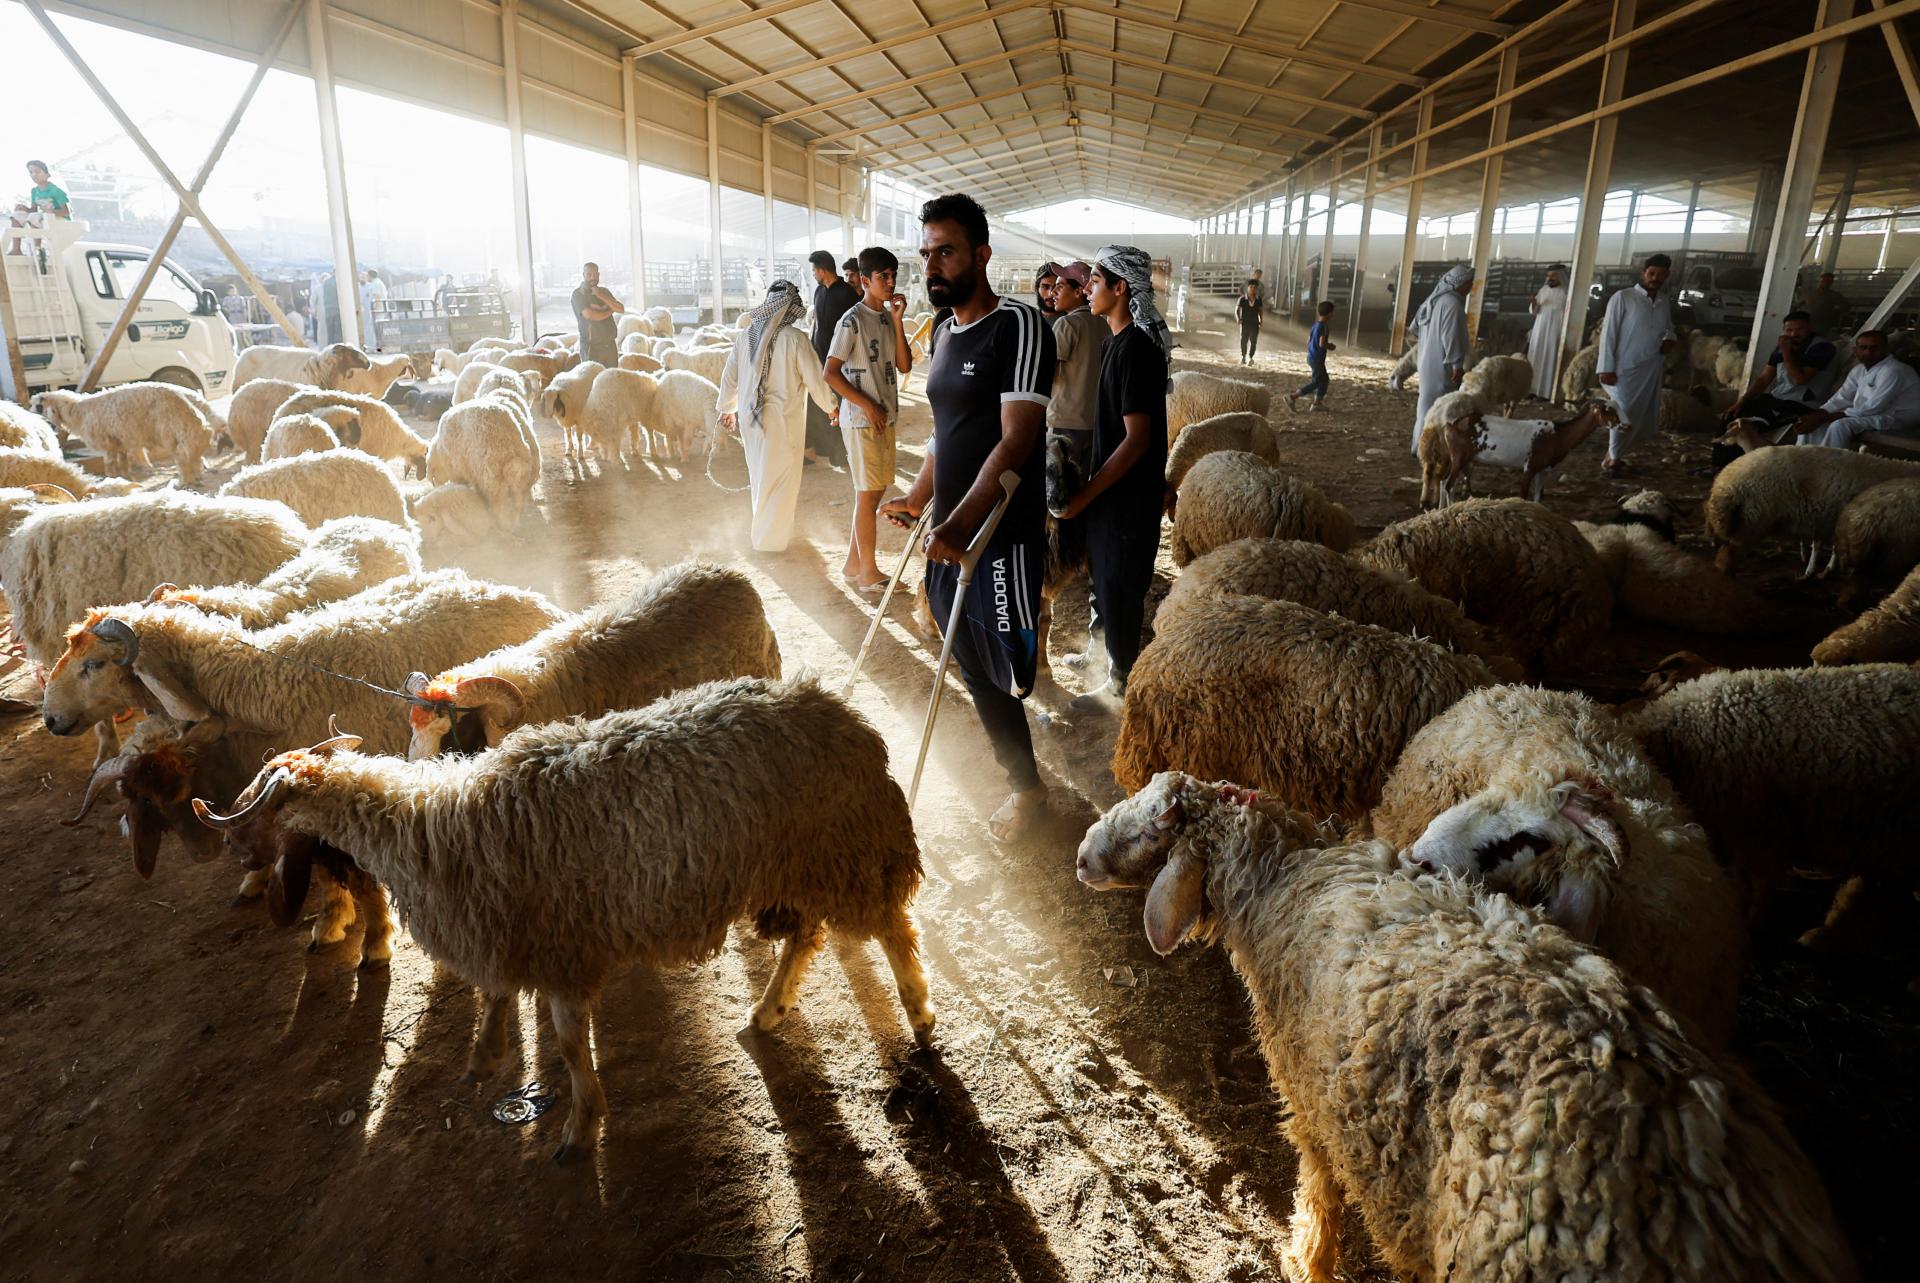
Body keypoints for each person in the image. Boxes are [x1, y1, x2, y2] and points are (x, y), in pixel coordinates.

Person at [880, 193, 1055, 843]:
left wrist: (959, 526)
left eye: (945, 251)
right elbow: (944, 434)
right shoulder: (944, 333)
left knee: (1006, 668)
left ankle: (1028, 790)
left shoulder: (1020, 326)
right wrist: (919, 495)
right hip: (948, 534)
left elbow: (1015, 439)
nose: (932, 264)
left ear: (982, 254)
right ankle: (1026, 787)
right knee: (969, 662)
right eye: (925, 253)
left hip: (1000, 533)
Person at [1051, 245, 1169, 717]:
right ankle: (1110, 668)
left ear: (1121, 288)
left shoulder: (1136, 351)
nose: (1088, 287)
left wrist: (1086, 493)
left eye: (1096, 279)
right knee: (1107, 583)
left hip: (1127, 502)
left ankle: (1120, 693)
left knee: (1121, 592)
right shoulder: (1114, 344)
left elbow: (1138, 439)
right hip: (1114, 498)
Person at [717, 281, 834, 553]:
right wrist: (831, 406)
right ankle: (770, 542)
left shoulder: (746, 336)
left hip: (750, 419)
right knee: (781, 480)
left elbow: (729, 376)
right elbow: (815, 378)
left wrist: (727, 408)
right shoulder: (794, 338)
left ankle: (764, 534)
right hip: (782, 422)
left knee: (760, 475)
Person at [825, 246, 912, 590]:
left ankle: (853, 563)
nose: (890, 282)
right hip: (863, 419)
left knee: (872, 493)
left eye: (894, 276)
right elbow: (830, 373)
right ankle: (868, 572)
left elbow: (904, 365)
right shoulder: (852, 320)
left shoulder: (884, 318)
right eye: (883, 277)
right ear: (864, 280)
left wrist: (898, 320)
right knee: (868, 494)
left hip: (883, 417)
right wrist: (867, 405)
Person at [1046, 261, 1107, 667]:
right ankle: (1085, 558)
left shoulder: (1066, 326)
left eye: (1060, 288)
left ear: (1078, 289)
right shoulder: (1103, 325)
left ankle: (1057, 563)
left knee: (1059, 501)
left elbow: (1043, 372)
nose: (1054, 294)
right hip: (1095, 425)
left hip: (1064, 422)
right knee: (1087, 492)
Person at [1597, 254, 1677, 472]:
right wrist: (1606, 367)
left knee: (1638, 414)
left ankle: (1613, 456)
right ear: (1643, 273)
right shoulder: (1623, 297)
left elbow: (1669, 327)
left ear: (1667, 276)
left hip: (1650, 366)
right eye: (1651, 273)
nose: (1655, 278)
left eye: (1660, 275)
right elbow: (1609, 333)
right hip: (1623, 368)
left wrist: (1670, 339)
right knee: (1623, 411)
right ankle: (1613, 460)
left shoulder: (1663, 302)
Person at [1716, 311, 1839, 452]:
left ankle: (1752, 464)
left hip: (1804, 404)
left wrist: (1786, 353)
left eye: (1800, 330)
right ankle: (1719, 466)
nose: (1793, 334)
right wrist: (1742, 400)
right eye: (1789, 330)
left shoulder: (1822, 347)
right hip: (1779, 399)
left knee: (1745, 426)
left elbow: (1799, 379)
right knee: (1731, 416)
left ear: (1809, 328)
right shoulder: (1782, 347)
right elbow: (1765, 378)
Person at [1787, 330, 1920, 449]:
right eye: (1863, 348)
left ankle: (1833, 466)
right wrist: (1816, 415)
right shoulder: (1858, 370)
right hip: (1873, 414)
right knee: (1811, 424)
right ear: (1856, 351)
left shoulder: (1893, 370)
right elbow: (1842, 398)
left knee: (1840, 425)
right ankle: (1804, 461)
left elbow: (1871, 408)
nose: (1868, 352)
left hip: (1897, 417)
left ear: (1886, 349)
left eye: (1875, 348)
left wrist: (1823, 418)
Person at [1410, 265, 1473, 452]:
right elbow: (1451, 336)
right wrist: (1457, 364)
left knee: (1426, 403)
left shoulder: (1435, 299)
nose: (1470, 287)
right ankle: (1426, 448)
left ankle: (1419, 445)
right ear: (1460, 283)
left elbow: (1414, 327)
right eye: (1469, 283)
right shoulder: (1452, 304)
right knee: (1437, 407)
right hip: (1441, 363)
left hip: (1427, 359)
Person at [806, 249, 858, 467]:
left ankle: (841, 455)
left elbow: (855, 327)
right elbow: (817, 324)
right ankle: (819, 452)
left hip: (841, 362)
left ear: (822, 269)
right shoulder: (818, 291)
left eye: (813, 270)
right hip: (819, 359)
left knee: (842, 405)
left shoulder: (846, 293)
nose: (813, 275)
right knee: (820, 403)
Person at [1526, 264, 1569, 400]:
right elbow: (1534, 311)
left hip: (1555, 333)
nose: (1550, 279)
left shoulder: (1566, 292)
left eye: (1554, 276)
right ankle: (1532, 390)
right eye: (1548, 276)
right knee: (1536, 357)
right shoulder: (1543, 290)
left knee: (1551, 358)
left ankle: (1547, 393)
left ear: (1561, 276)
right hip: (1540, 331)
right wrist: (1534, 303)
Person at [570, 262, 624, 366]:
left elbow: (620, 309)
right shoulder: (578, 294)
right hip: (592, 347)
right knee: (592, 378)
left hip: (610, 345)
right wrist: (610, 311)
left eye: (595, 274)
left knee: (610, 378)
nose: (592, 277)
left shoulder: (604, 291)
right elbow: (590, 315)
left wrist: (600, 295)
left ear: (599, 275)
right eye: (589, 274)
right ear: (583, 275)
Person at [1288, 301, 1337, 411]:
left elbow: (1308, 341)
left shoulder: (1315, 325)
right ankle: (1293, 396)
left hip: (1311, 356)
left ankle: (1317, 403)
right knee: (1317, 382)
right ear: (1329, 313)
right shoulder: (1324, 327)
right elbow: (1322, 343)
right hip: (1317, 358)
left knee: (1324, 380)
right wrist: (1330, 346)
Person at [1801, 271, 1850, 338]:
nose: (1826, 283)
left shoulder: (1834, 295)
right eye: (1824, 280)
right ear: (1820, 280)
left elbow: (1846, 307)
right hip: (1806, 323)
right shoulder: (1809, 293)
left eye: (1828, 281)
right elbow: (1797, 305)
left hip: (1822, 325)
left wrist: (1835, 313)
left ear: (1831, 283)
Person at [1235, 280, 1262, 364]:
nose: (1252, 289)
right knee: (1244, 340)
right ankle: (1243, 357)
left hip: (1255, 323)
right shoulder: (1242, 299)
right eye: (1251, 287)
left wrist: (1261, 320)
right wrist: (1238, 318)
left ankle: (1251, 357)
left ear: (1256, 289)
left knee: (1253, 341)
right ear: (1247, 288)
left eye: (1254, 288)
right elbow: (1236, 310)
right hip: (1244, 323)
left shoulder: (1258, 300)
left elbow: (1260, 311)